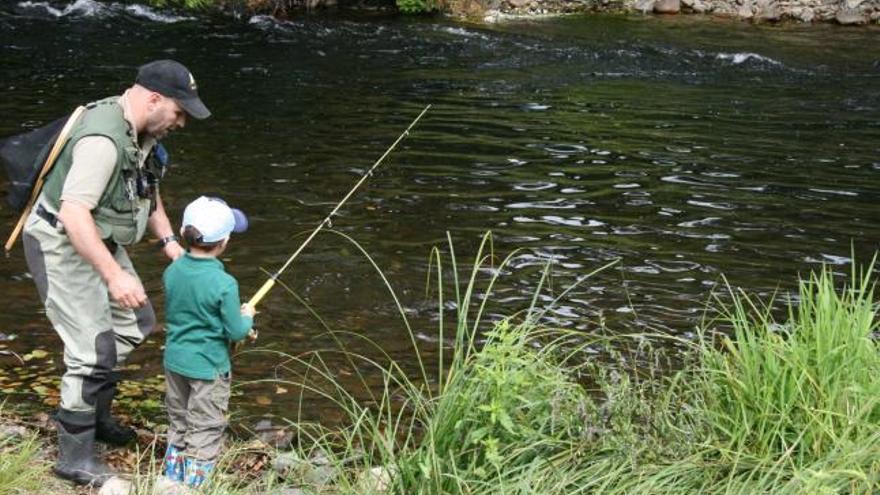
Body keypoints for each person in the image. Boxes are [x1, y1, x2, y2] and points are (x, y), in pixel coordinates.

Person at [21, 59, 211, 486]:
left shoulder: (142, 132)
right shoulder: (103, 140)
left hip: (98, 237)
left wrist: (171, 245)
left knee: (136, 323)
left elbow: (149, 192)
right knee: (91, 351)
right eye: (179, 113)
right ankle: (74, 457)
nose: (181, 123)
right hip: (61, 241)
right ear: (154, 98)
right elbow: (73, 214)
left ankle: (92, 413)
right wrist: (113, 276)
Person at [161, 195, 255, 489]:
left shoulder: (172, 270)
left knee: (179, 420)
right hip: (208, 369)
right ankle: (195, 486)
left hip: (175, 362)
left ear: (184, 232)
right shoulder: (225, 283)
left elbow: (189, 311)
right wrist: (248, 317)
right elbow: (237, 331)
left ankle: (172, 479)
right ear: (224, 241)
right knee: (206, 426)